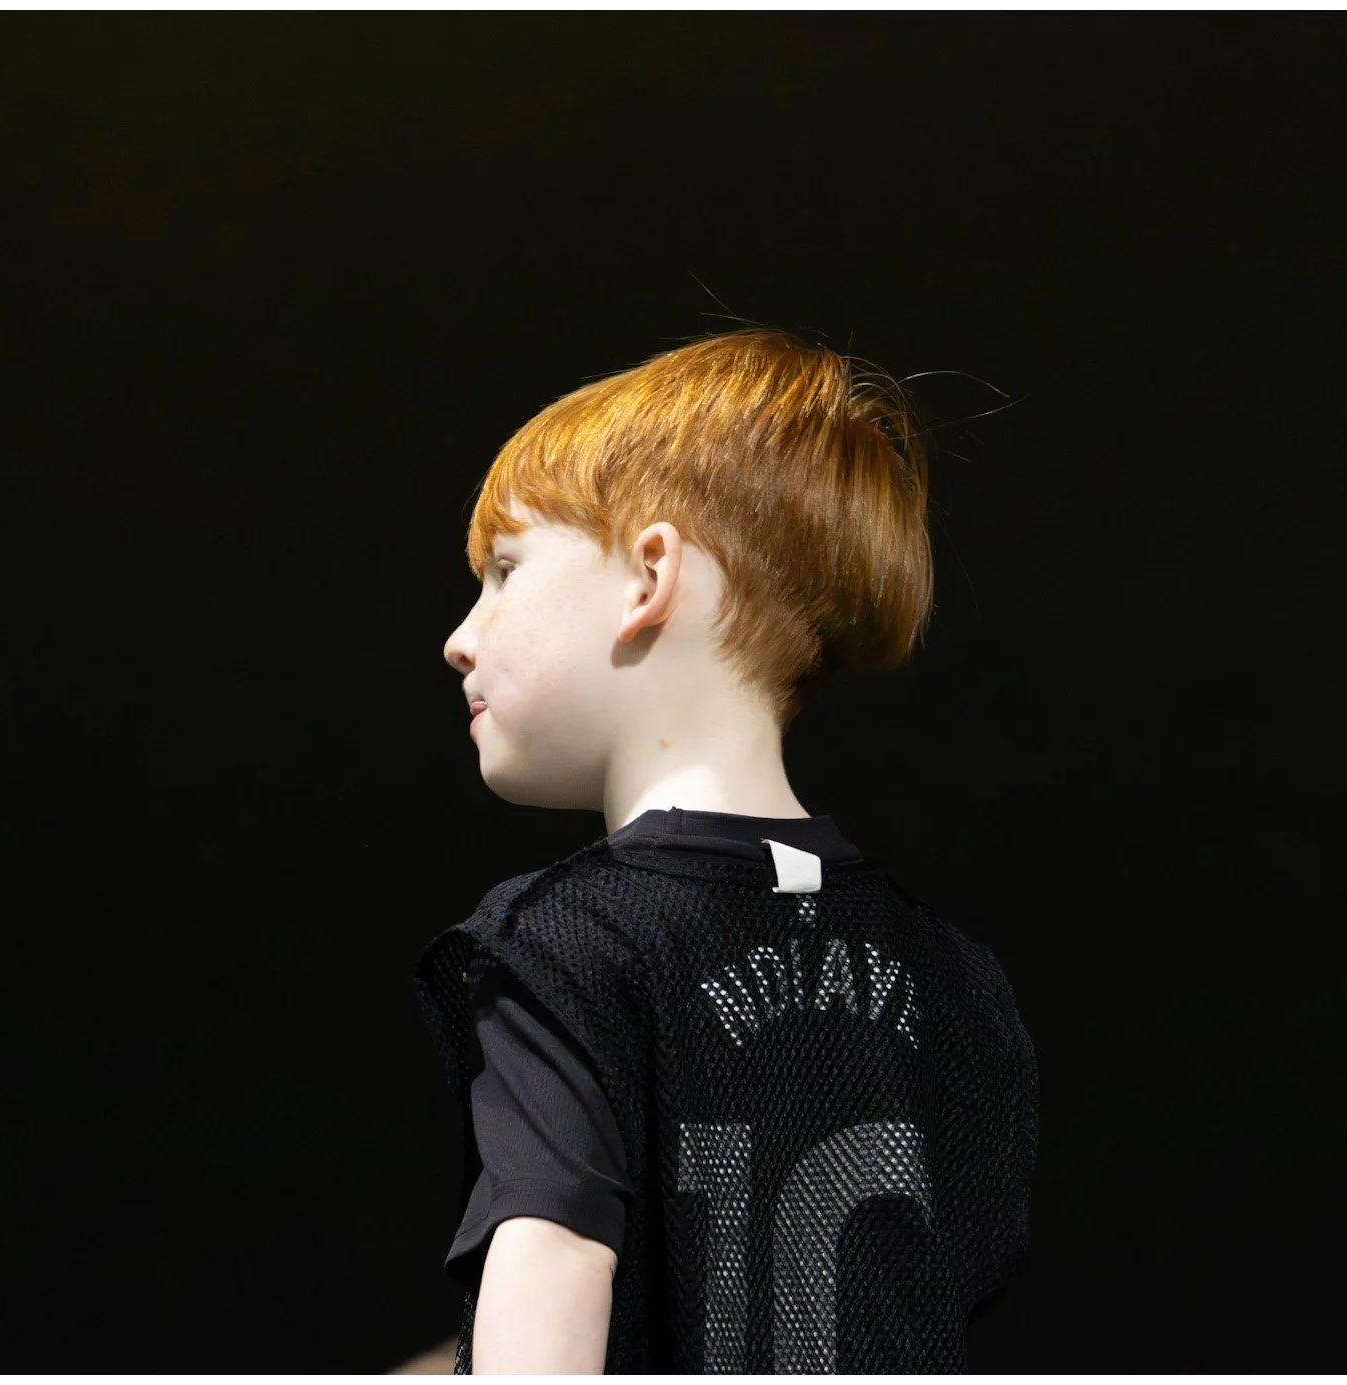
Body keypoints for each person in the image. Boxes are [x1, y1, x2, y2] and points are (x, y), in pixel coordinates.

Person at [410, 326, 1038, 1374]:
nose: (459, 636)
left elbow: (555, 1270)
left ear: (649, 572)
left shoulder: (571, 946)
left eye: (504, 570)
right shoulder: (956, 985)